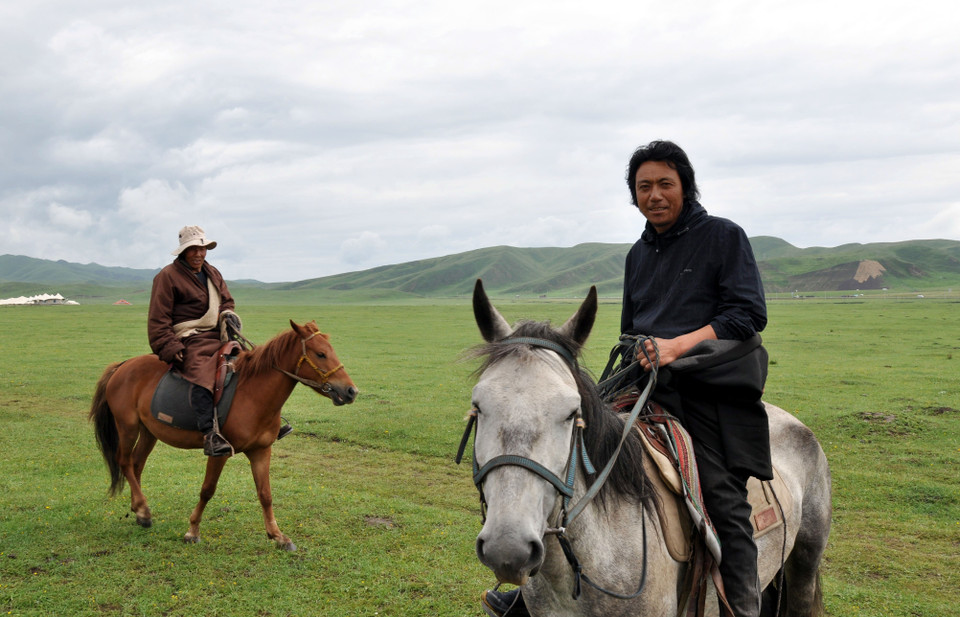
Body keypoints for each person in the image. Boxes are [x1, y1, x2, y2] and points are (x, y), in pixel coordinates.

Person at [482, 141, 771, 617]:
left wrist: (677, 345)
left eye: (665, 184)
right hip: (644, 383)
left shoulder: (723, 237)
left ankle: (743, 607)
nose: (654, 195)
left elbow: (746, 314)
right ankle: (537, 589)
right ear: (633, 196)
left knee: (722, 498)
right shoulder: (638, 254)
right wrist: (637, 353)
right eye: (644, 187)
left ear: (685, 187)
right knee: (571, 464)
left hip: (707, 388)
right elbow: (629, 329)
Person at [148, 225, 241, 457]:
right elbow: (158, 319)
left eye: (203, 248)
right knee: (202, 372)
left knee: (249, 362)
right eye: (193, 250)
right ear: (183, 252)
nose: (199, 254)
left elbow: (227, 302)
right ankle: (210, 434)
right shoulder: (167, 277)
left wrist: (227, 315)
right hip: (187, 338)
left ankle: (259, 420)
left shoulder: (213, 273)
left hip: (215, 334)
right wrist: (169, 346)